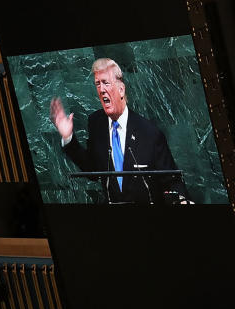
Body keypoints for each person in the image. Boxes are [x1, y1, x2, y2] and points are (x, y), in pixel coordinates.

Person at [50, 57, 187, 204]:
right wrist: (68, 138)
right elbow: (93, 170)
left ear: (121, 89)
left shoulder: (149, 132)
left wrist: (182, 200)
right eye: (97, 84)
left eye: (105, 83)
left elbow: (171, 179)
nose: (101, 89)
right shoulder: (96, 123)